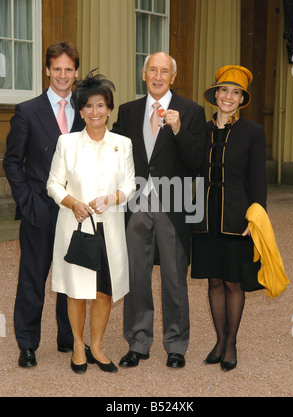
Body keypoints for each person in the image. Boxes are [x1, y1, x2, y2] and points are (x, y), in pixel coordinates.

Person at [112, 52, 206, 368]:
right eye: (152, 69)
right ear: (143, 73)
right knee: (137, 276)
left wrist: (179, 130)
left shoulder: (192, 112)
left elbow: (197, 163)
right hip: (136, 204)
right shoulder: (128, 112)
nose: (157, 76)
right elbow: (114, 158)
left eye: (164, 71)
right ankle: (138, 342)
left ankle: (176, 345)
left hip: (174, 206)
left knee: (175, 278)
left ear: (173, 77)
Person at [46, 72, 136, 374]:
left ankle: (96, 345)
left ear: (109, 109)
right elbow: (54, 184)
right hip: (76, 227)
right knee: (76, 290)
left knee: (104, 292)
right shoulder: (67, 143)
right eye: (88, 107)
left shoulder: (122, 144)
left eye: (100, 106)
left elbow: (132, 185)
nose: (94, 112)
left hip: (108, 228)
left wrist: (112, 198)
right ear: (80, 111)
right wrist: (74, 203)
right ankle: (78, 345)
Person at [3, 41, 85, 368]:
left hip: (74, 209)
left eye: (69, 69)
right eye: (57, 69)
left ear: (75, 72)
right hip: (39, 208)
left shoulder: (85, 109)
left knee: (71, 276)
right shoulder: (27, 111)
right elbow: (12, 162)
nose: (63, 75)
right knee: (32, 279)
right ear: (47, 70)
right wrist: (26, 199)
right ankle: (27, 343)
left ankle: (67, 337)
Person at [191, 65, 267, 371]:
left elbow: (258, 180)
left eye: (235, 92)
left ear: (241, 99)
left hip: (237, 219)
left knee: (234, 282)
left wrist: (256, 217)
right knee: (214, 281)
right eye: (224, 90)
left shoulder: (253, 132)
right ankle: (219, 341)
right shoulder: (203, 130)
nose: (228, 96)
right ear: (215, 94)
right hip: (206, 218)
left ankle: (231, 341)